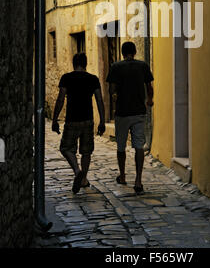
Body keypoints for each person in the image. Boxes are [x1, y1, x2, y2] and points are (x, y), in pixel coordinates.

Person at [52, 52, 106, 194]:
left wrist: (54, 119)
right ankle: (83, 179)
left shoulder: (66, 78)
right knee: (86, 151)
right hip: (88, 120)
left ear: (73, 63)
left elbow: (60, 99)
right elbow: (99, 100)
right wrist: (102, 120)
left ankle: (77, 171)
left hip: (72, 120)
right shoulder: (93, 79)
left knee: (66, 148)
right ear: (85, 63)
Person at [106, 41, 154, 194]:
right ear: (134, 52)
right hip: (139, 111)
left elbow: (111, 89)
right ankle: (138, 180)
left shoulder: (116, 67)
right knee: (138, 146)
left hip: (122, 112)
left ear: (122, 52)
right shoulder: (143, 66)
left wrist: (116, 93)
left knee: (121, 146)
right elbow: (149, 86)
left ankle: (122, 175)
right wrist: (149, 100)